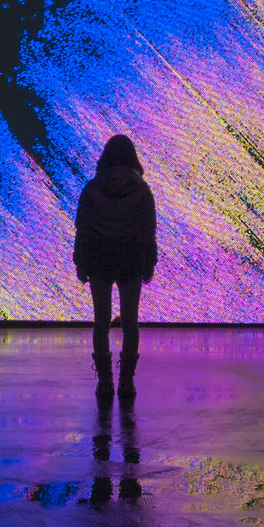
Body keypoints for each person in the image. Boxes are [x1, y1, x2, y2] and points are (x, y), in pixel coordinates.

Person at [73, 133, 158, 400]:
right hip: (130, 259)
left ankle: (105, 383)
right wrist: (149, 262)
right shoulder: (141, 190)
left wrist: (80, 261)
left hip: (99, 259)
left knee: (101, 321)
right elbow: (148, 231)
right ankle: (127, 382)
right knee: (130, 322)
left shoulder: (92, 189)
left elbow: (83, 229)